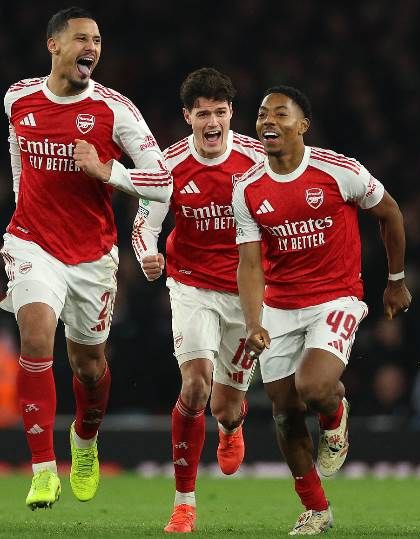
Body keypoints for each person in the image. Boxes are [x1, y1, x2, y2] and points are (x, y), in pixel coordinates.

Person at [1, 7, 172, 510]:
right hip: (32, 242)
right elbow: (18, 153)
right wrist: (22, 204)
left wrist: (107, 171)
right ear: (53, 45)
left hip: (92, 256)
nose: (91, 47)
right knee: (35, 335)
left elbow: (163, 181)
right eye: (81, 38)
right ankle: (42, 470)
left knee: (90, 366)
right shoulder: (18, 98)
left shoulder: (115, 109)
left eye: (96, 40)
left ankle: (85, 441)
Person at [233, 85, 411, 535]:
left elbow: (390, 213)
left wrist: (395, 281)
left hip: (336, 297)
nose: (268, 121)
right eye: (262, 114)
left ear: (303, 125)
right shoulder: (247, 188)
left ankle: (335, 416)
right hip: (280, 306)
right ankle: (316, 508)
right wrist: (253, 322)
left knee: (313, 387)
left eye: (280, 114)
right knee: (284, 410)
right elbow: (250, 263)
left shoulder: (338, 171)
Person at [131, 67, 266, 533]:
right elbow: (144, 225)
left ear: (232, 114)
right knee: (195, 386)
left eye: (220, 112)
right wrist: (148, 255)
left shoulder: (257, 160)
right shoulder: (167, 164)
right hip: (191, 287)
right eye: (203, 114)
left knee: (225, 405)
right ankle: (184, 504)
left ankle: (231, 425)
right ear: (187, 116)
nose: (213, 122)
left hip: (245, 294)